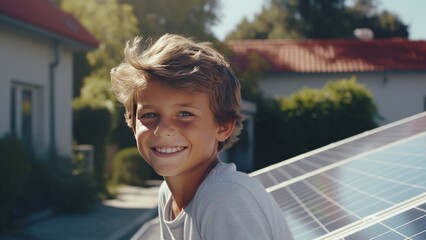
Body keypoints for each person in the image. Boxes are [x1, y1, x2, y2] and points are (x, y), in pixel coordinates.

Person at [110, 33, 294, 240]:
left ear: (223, 126)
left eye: (185, 114)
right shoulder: (167, 194)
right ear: (132, 123)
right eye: (150, 115)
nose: (163, 129)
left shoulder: (224, 199)